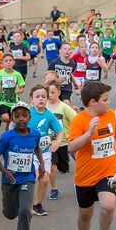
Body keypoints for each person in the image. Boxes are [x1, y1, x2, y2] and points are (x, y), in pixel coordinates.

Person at [68, 81, 116, 230]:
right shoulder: (79, 120)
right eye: (105, 100)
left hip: (108, 171)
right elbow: (71, 147)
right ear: (93, 102)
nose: (109, 103)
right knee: (85, 214)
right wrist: (89, 133)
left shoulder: (110, 114)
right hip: (85, 175)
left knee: (108, 205)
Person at [0, 101, 45, 230]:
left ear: (29, 117)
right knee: (10, 213)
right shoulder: (7, 137)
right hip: (10, 180)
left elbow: (36, 148)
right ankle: (9, 208)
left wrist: (41, 163)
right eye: (17, 116)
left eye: (24, 115)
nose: (21, 119)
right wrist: (5, 171)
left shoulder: (35, 134)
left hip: (27, 178)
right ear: (13, 119)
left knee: (25, 211)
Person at [26, 85, 64, 218]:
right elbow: (14, 126)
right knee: (33, 177)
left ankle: (37, 205)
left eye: (43, 96)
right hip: (29, 153)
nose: (41, 99)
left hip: (45, 152)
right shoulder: (27, 114)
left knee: (45, 180)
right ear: (32, 99)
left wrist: (58, 142)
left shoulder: (49, 116)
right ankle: (25, 204)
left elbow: (60, 131)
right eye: (37, 97)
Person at [45, 81, 76, 196]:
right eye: (47, 92)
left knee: (63, 168)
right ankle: (54, 189)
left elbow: (77, 121)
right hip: (49, 143)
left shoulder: (64, 107)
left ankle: (82, 181)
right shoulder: (43, 107)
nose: (50, 95)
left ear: (59, 92)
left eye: (53, 92)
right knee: (52, 167)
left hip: (64, 142)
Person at [0, 54, 26, 130]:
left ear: (14, 62)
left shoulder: (17, 74)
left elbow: (22, 87)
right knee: (6, 118)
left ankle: (7, 135)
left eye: (10, 60)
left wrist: (19, 91)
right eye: (6, 61)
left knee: (11, 122)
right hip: (3, 100)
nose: (8, 62)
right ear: (2, 63)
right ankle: (0, 117)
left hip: (14, 101)